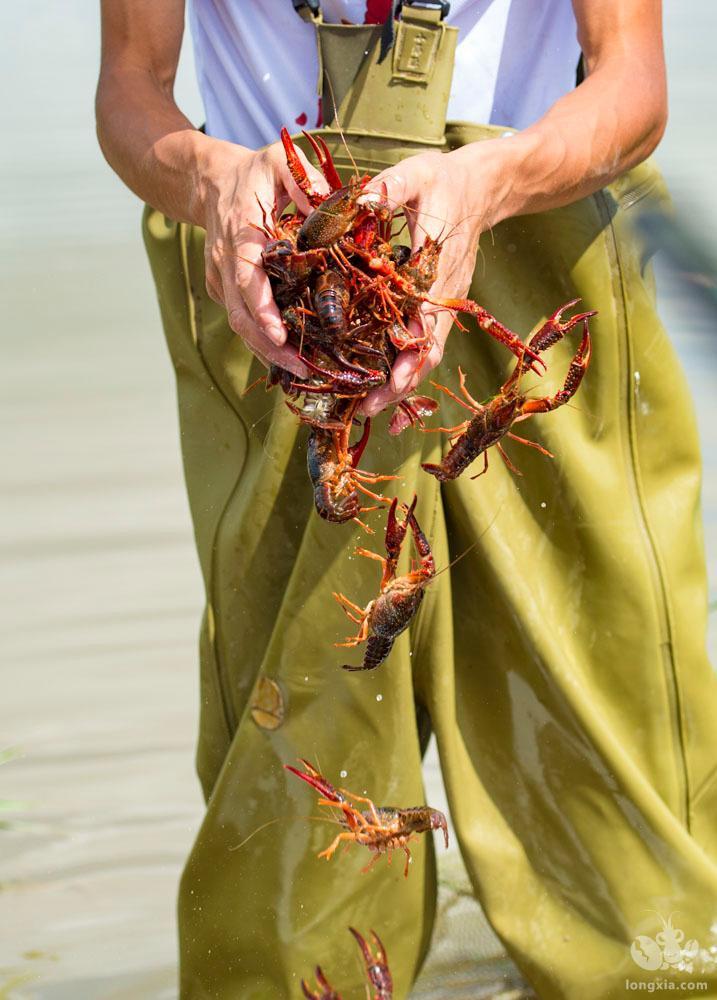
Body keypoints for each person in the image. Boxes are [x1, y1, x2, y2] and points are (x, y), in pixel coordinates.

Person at [96, 2, 717, 997]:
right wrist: (213, 184)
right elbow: (130, 87)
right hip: (271, 279)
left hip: (534, 234)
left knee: (616, 788)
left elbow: (633, 85)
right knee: (290, 813)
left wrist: (487, 184)